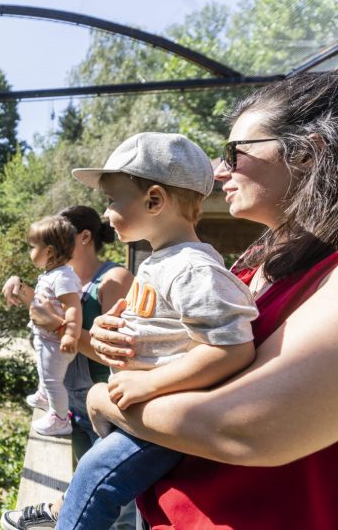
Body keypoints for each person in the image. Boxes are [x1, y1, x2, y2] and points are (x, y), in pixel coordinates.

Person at [81, 71, 338, 529]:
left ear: (307, 152)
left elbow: (250, 427)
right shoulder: (251, 263)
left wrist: (107, 399)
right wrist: (120, 337)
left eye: (234, 153)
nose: (219, 172)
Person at [47, 132, 259, 529]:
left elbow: (233, 350)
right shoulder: (159, 262)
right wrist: (117, 328)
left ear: (155, 200)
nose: (106, 213)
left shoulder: (193, 269)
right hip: (145, 415)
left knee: (95, 478)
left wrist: (150, 384)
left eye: (112, 200)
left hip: (165, 418)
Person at [0, 206, 134, 530]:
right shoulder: (62, 278)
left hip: (106, 411)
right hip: (73, 408)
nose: (52, 241)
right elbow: (47, 315)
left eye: (60, 233)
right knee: (81, 482)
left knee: (116, 509)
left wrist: (60, 326)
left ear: (84, 237)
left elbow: (121, 358)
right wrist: (21, 288)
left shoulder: (114, 279)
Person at [10, 215, 83, 436]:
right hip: (47, 338)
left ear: (49, 252)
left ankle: (60, 419)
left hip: (56, 341)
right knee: (44, 371)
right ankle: (43, 396)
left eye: (33, 247)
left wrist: (70, 333)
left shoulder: (62, 277)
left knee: (53, 380)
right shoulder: (52, 275)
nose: (29, 252)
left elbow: (73, 306)